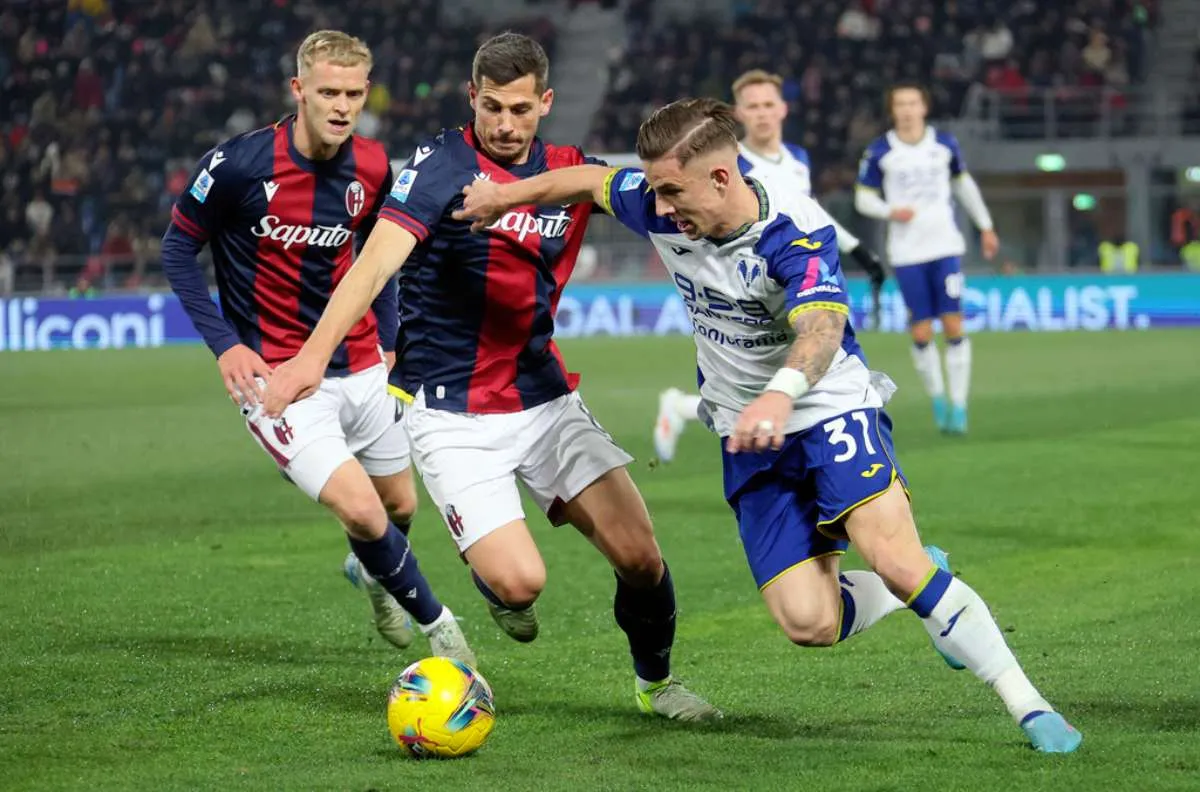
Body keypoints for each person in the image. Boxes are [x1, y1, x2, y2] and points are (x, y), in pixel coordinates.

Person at [451, 97, 1082, 754]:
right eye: (655, 190)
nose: (659, 208)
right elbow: (587, 180)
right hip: (745, 434)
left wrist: (781, 395)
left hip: (827, 407)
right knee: (808, 622)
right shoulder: (656, 199)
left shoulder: (794, 231)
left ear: (722, 178)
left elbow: (822, 328)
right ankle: (911, 590)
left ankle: (1028, 704)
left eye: (672, 192)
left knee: (894, 556)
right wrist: (505, 196)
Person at [263, 32, 719, 722]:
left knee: (642, 557)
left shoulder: (571, 170)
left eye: (520, 109)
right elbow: (376, 262)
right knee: (520, 583)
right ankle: (497, 586)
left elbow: (660, 199)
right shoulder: (437, 167)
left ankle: (656, 685)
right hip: (453, 414)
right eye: (493, 107)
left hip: (545, 398)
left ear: (546, 103)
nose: (505, 125)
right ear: (471, 98)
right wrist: (308, 356)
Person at [160, 30, 474, 666]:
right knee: (361, 509)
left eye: (353, 94)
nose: (341, 106)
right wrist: (224, 346)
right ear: (298, 90)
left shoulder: (373, 166)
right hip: (277, 379)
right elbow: (176, 250)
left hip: (360, 364)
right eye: (328, 92)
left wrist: (388, 341)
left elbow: (379, 261)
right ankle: (443, 631)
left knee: (398, 505)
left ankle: (374, 575)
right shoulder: (240, 165)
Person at [652, 69, 887, 463]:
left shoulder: (797, 159)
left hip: (798, 274)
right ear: (738, 114)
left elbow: (810, 216)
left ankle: (683, 408)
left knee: (818, 354)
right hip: (748, 286)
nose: (761, 113)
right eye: (752, 106)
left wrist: (859, 251)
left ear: (783, 108)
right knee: (768, 379)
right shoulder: (730, 166)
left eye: (767, 104)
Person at [855, 82, 999, 435]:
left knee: (953, 324)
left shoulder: (944, 145)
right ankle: (937, 399)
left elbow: (964, 185)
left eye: (912, 102)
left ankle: (960, 405)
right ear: (893, 110)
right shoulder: (880, 151)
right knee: (920, 330)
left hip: (945, 246)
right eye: (900, 103)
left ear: (923, 107)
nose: (906, 109)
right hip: (906, 252)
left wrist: (986, 226)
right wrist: (891, 210)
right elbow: (863, 199)